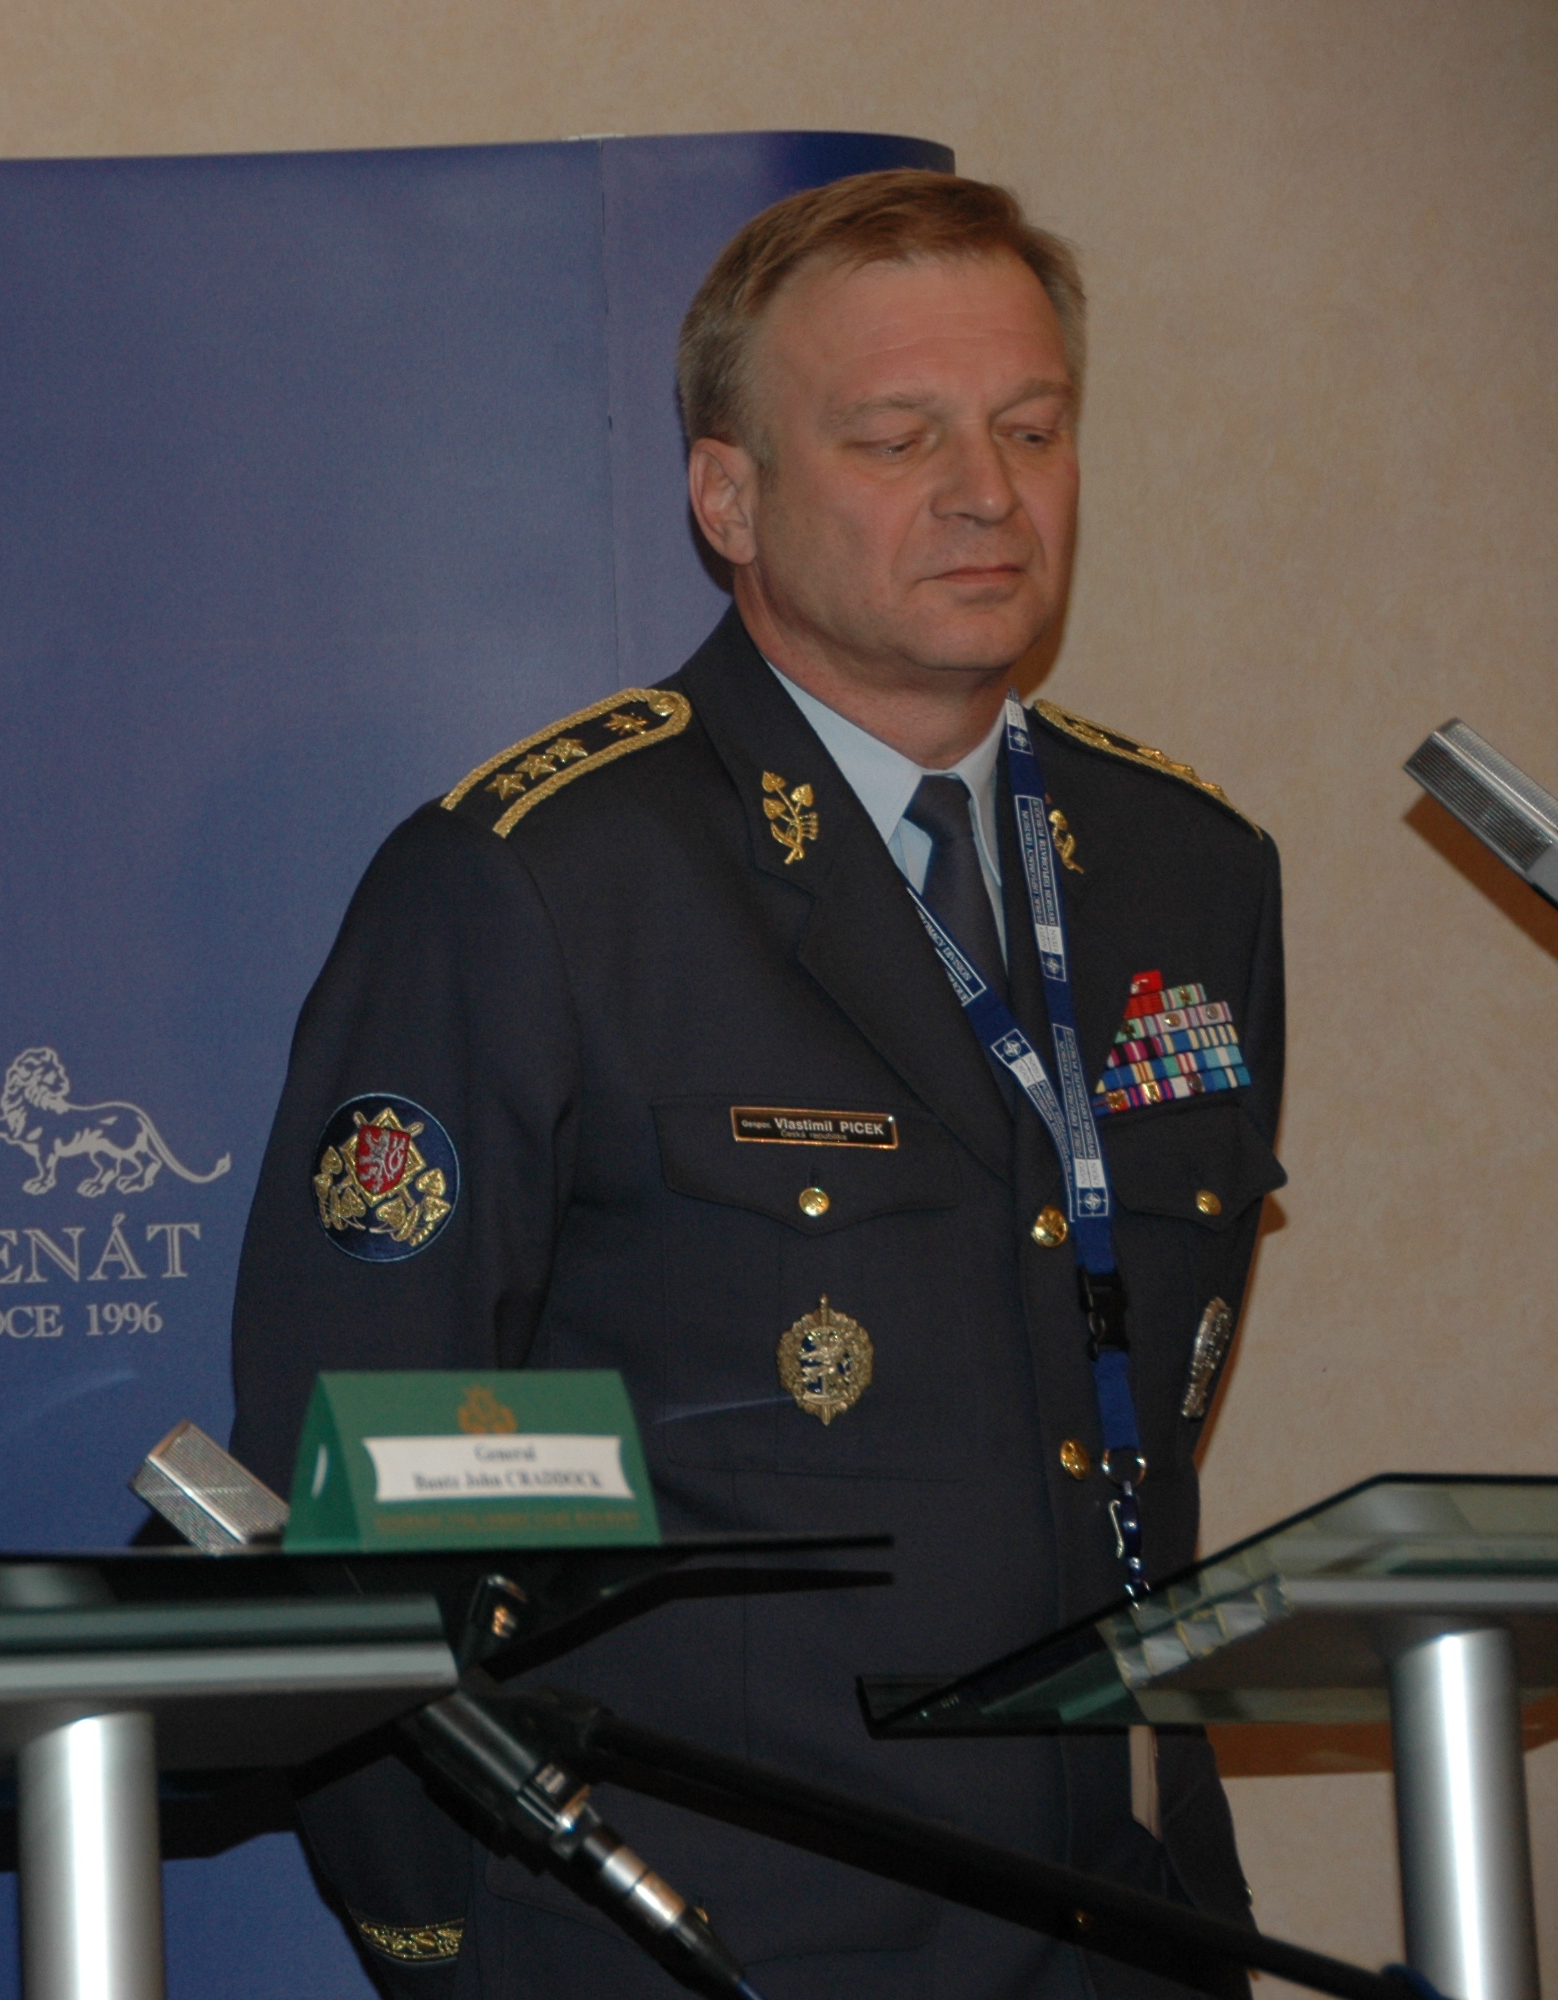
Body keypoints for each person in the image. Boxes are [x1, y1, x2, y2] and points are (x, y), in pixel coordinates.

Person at [231, 172, 1283, 1999]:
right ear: (728, 498)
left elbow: (1134, 1394)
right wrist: (456, 1944)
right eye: (897, 436)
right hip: (711, 1943)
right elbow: (364, 1499)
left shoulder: (1189, 868)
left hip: (1128, 1928)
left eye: (1032, 427)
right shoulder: (544, 882)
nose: (988, 489)